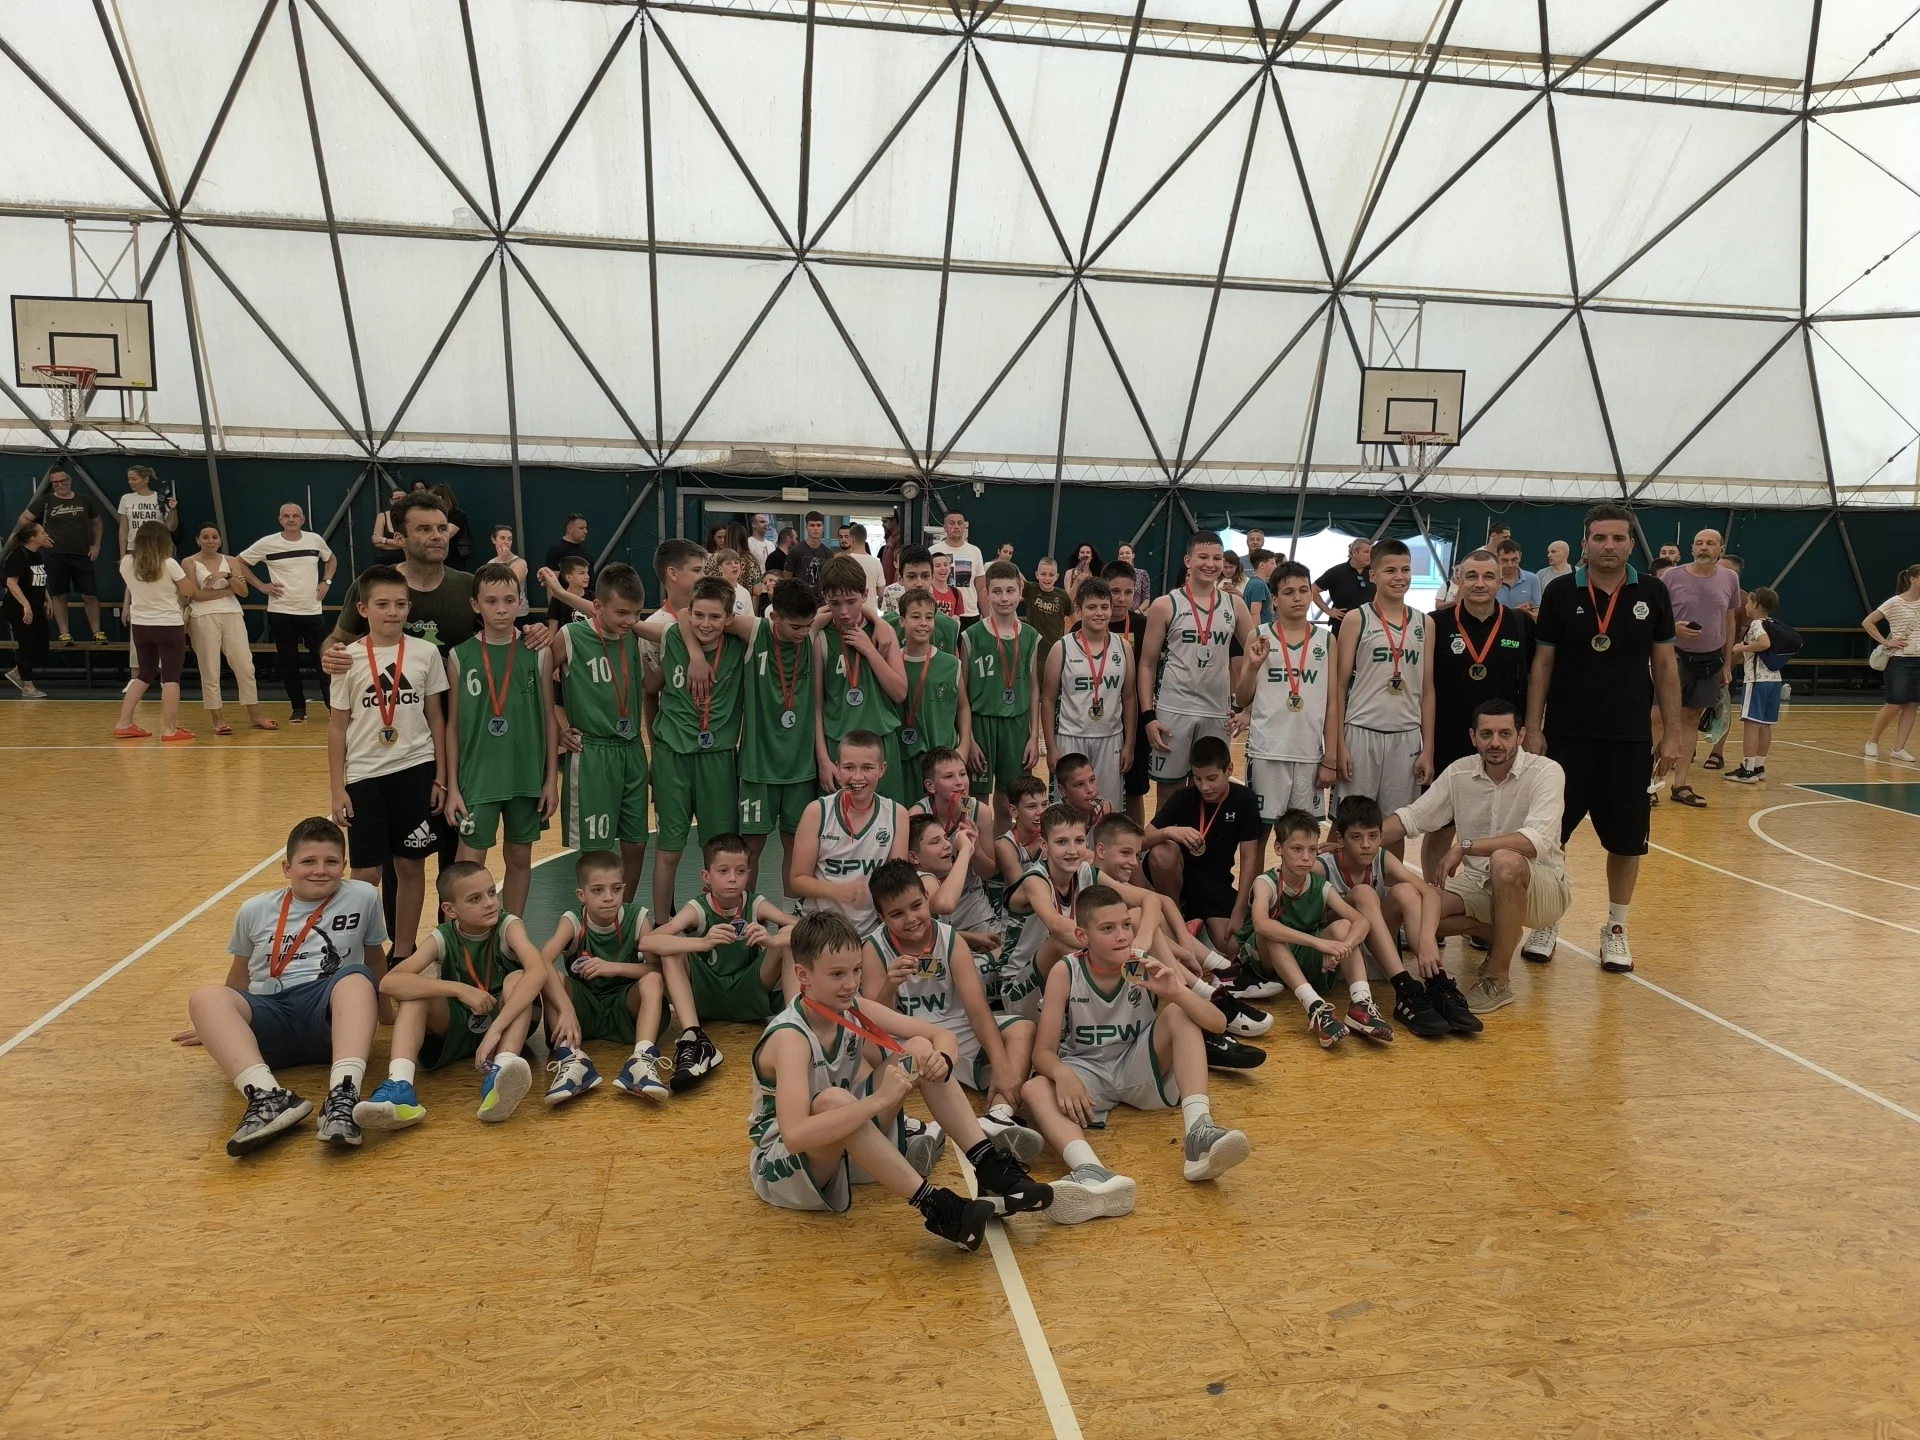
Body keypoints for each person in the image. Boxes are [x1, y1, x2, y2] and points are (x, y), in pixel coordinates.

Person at [745, 912, 1054, 1246]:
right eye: (837, 974)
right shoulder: (791, 1037)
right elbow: (795, 1136)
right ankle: (936, 1206)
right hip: (786, 1166)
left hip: (845, 1142)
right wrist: (880, 1100)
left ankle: (987, 1164)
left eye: (856, 970)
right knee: (835, 1100)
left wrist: (942, 1061)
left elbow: (940, 1036)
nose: (850, 983)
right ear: (803, 975)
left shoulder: (851, 1006)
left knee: (920, 1050)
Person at [1022, 885, 1251, 1223]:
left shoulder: (1139, 965)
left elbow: (1217, 1024)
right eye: (1107, 928)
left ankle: (1198, 1133)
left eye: (1126, 925)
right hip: (1087, 1075)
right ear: (1083, 936)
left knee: (1179, 1014)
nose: (1122, 936)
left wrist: (1176, 992)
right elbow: (1042, 1052)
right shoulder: (1066, 971)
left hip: (1138, 1066)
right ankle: (1092, 1172)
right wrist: (1061, 1073)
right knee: (1034, 1088)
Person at [1526, 503, 1683, 974]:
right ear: (1585, 544)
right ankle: (1547, 919)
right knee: (1551, 837)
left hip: (1629, 739)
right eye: (1600, 538)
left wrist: (1671, 734)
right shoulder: (1559, 591)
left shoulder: (1652, 591)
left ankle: (1615, 928)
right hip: (1565, 737)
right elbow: (1543, 664)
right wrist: (1534, 727)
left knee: (1627, 842)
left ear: (1631, 544)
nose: (1608, 546)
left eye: (1618, 538)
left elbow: (1665, 666)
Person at [181, 816, 384, 1155]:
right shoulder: (254, 909)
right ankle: (267, 1096)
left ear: (344, 865)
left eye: (331, 862)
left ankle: (343, 1098)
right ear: (287, 868)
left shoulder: (363, 896)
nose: (320, 870)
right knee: (205, 998)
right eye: (309, 862)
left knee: (357, 977)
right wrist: (217, 1026)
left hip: (329, 1018)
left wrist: (387, 1013)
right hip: (272, 1015)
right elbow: (239, 976)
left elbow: (375, 957)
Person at [1379, 699, 1572, 1014]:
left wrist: (1465, 846)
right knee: (1413, 902)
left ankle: (1497, 979)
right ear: (1473, 737)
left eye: (1505, 734)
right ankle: (1498, 933)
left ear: (1521, 736)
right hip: (1480, 884)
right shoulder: (1460, 772)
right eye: (1486, 734)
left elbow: (1533, 841)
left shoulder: (1546, 772)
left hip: (1542, 886)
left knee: (1505, 860)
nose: (1495, 742)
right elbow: (1411, 818)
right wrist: (1355, 842)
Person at [361, 861, 556, 1130]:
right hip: (456, 1024)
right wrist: (459, 989)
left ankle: (502, 1069)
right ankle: (400, 1085)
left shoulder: (508, 925)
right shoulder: (443, 936)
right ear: (450, 910)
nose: (489, 903)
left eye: (491, 892)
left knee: (519, 978)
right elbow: (389, 982)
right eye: (475, 899)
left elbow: (538, 972)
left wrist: (496, 1029)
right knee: (416, 992)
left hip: (506, 1022)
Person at [863, 860, 1038, 1155]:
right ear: (881, 917)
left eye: (916, 906)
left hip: (956, 1031)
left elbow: (978, 1011)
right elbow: (874, 1025)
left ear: (927, 898)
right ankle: (907, 1126)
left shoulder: (950, 939)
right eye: (897, 914)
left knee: (1023, 1028)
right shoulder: (874, 948)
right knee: (862, 1049)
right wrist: (889, 987)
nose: (911, 918)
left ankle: (999, 1115)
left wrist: (1002, 1066)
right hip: (907, 1039)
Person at [327, 564, 448, 969]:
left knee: (411, 865)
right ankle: (362, 957)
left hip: (415, 769)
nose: (392, 612)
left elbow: (436, 717)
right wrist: (338, 788)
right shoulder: (346, 659)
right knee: (365, 876)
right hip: (364, 776)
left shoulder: (425, 653)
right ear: (363, 609)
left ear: (409, 608)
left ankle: (403, 953)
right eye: (382, 604)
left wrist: (440, 777)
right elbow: (337, 727)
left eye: (400, 604)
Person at [444, 562, 555, 920]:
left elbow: (549, 719)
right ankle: (467, 938)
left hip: (526, 776)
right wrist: (452, 787)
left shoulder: (537, 651)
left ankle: (513, 931)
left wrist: (550, 780)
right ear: (475, 605)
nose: (502, 609)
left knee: (520, 857)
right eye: (491, 601)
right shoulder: (459, 656)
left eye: (509, 600)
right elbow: (452, 726)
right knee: (469, 865)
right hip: (478, 778)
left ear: (520, 602)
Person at [1233, 808, 1388, 1047]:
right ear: (1278, 849)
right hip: (1266, 963)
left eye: (1312, 850)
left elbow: (1362, 922)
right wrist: (1320, 943)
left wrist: (1340, 948)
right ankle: (1316, 1008)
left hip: (1304, 958)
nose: (1306, 857)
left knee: (1344, 926)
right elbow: (1261, 924)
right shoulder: (1266, 882)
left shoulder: (1321, 886)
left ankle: (1361, 1003)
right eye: (1297, 849)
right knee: (1272, 931)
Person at [1312, 796, 1467, 1034]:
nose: (1366, 845)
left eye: (1373, 836)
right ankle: (1405, 988)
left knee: (1406, 891)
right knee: (1364, 893)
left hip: (1379, 956)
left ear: (1381, 836)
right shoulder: (1322, 866)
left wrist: (1427, 939)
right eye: (1356, 837)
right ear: (1341, 839)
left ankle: (1437, 982)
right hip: (1340, 959)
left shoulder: (1382, 857)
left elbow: (1430, 893)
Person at [1422, 548, 1533, 878]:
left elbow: (1535, 680)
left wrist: (1533, 729)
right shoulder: (1435, 623)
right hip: (1447, 738)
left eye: (1488, 576)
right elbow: (1423, 687)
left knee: (1500, 825)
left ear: (1500, 581)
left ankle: (1491, 898)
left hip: (1501, 742)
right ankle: (1434, 896)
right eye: (1471, 576)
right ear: (1458, 580)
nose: (1480, 583)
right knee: (1441, 826)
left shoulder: (1520, 624)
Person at [647, 576, 752, 921]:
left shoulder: (739, 644)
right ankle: (661, 924)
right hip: (672, 757)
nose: (705, 623)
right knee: (669, 849)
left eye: (715, 617)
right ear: (690, 612)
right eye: (699, 615)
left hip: (717, 759)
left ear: (729, 618)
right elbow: (666, 619)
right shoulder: (673, 636)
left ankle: (720, 922)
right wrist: (693, 653)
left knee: (720, 852)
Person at [533, 849, 670, 1105]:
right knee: (551, 977)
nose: (608, 897)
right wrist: (567, 1010)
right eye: (598, 890)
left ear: (624, 889)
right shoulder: (573, 921)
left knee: (653, 980)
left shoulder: (637, 917)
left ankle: (640, 1061)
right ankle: (572, 1059)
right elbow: (541, 962)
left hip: (625, 1009)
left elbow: (658, 970)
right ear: (581, 895)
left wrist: (613, 967)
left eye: (616, 889)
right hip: (583, 1012)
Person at [550, 563, 652, 901]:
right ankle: (594, 919)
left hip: (632, 748)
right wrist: (557, 729)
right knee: (596, 850)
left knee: (637, 842)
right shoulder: (571, 636)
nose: (629, 620)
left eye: (636, 613)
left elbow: (651, 680)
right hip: (592, 751)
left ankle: (626, 912)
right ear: (598, 606)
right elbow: (534, 681)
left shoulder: (635, 636)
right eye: (621, 612)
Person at [644, 832, 798, 1039]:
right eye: (723, 871)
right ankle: (692, 1035)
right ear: (706, 876)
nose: (732, 878)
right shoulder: (697, 908)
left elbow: (810, 927)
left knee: (789, 936)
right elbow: (647, 942)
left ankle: (796, 1024)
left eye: (740, 871)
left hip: (748, 992)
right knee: (672, 950)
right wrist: (702, 942)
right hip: (705, 995)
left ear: (748, 874)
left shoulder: (755, 903)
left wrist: (772, 940)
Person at [1139, 530, 1254, 799]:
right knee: (1170, 794)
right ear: (1188, 561)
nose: (1210, 564)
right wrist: (1149, 717)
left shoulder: (1235, 605)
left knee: (1212, 790)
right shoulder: (1165, 605)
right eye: (1203, 557)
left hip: (1217, 712)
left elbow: (1257, 656)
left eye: (1217, 558)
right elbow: (1147, 664)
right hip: (1173, 709)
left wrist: (1248, 709)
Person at [1325, 538, 1429, 827]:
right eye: (1390, 570)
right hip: (1361, 732)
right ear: (1373, 575)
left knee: (1394, 826)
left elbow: (1428, 691)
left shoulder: (1424, 623)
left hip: (1406, 735)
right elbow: (1339, 686)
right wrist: (1339, 745)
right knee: (1348, 825)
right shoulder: (1357, 619)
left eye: (1405, 570)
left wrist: (1428, 749)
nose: (1399, 577)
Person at [739, 579, 827, 898]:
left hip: (800, 767)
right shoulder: (754, 631)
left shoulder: (811, 632)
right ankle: (746, 913)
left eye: (808, 625)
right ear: (774, 617)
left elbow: (842, 611)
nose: (803, 632)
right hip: (758, 766)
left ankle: (793, 918)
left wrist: (877, 620)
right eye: (796, 627)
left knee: (796, 844)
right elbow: (697, 618)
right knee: (751, 846)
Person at [1142, 734, 1263, 952]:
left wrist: (1239, 910)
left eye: (1211, 778)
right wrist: (1169, 832)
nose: (1204, 787)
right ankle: (1175, 918)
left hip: (1215, 881)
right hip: (1178, 877)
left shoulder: (1244, 800)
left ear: (1229, 770)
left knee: (1232, 945)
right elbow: (1139, 840)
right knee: (1162, 851)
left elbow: (1249, 857)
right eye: (1197, 778)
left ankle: (1197, 924)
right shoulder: (1183, 797)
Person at [1234, 560, 1329, 834]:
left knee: (1304, 835)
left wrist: (1331, 758)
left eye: (1303, 590)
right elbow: (1242, 698)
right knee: (1259, 833)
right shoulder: (1259, 635)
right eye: (1288, 592)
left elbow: (1333, 703)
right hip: (1267, 750)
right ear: (1274, 600)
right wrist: (1253, 666)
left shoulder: (1326, 640)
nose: (1298, 598)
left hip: (1309, 753)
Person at [790, 730, 912, 936]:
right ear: (837, 769)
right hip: (821, 928)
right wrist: (836, 891)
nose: (857, 777)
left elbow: (896, 881)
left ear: (882, 769)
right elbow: (797, 880)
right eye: (849, 767)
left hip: (874, 929)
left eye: (867, 768)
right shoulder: (817, 812)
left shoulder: (896, 814)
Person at [817, 554, 911, 804]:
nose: (844, 611)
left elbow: (900, 692)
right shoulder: (820, 637)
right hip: (840, 743)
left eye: (851, 601)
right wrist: (823, 759)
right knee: (840, 822)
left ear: (865, 594)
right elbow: (816, 706)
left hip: (881, 741)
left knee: (887, 822)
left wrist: (870, 651)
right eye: (835, 603)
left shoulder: (884, 632)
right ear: (825, 598)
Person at [1657, 529, 1740, 808]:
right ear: (1692, 548)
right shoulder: (1672, 576)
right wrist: (1673, 629)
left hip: (1709, 661)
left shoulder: (1730, 578)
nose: (1704, 547)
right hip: (1673, 657)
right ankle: (1649, 784)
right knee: (1658, 718)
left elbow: (1729, 621)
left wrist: (1727, 663)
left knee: (1691, 719)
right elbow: (1656, 617)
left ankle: (1680, 784)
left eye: (1710, 543)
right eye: (1699, 543)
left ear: (1721, 549)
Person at [1041, 575, 1133, 812]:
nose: (1099, 613)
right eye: (1091, 607)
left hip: (1110, 737)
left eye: (1104, 606)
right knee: (1068, 811)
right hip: (1071, 736)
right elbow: (1048, 700)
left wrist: (1129, 743)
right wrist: (1051, 747)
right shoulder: (1062, 648)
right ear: (1079, 610)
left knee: (1108, 809)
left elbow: (1129, 698)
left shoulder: (1123, 647)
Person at [239, 502, 337, 723]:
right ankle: (298, 709)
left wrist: (326, 581)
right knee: (288, 662)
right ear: (280, 519)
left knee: (323, 660)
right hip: (281, 611)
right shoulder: (267, 543)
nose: (291, 519)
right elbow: (240, 562)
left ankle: (333, 707)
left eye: (295, 516)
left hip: (311, 611)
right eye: (286, 516)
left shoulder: (315, 540)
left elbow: (331, 559)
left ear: (302, 519)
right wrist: (261, 586)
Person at [962, 559, 1042, 824]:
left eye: (1010, 591)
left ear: (1020, 592)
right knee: (977, 802)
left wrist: (1034, 737)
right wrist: (968, 739)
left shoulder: (1031, 636)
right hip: (981, 723)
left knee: (1010, 801)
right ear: (986, 593)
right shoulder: (972, 635)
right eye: (996, 591)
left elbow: (1034, 687)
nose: (1004, 598)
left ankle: (1002, 849)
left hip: (1017, 726)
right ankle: (977, 851)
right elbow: (962, 691)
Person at [183, 522, 272, 735]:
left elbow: (243, 592)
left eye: (214, 537)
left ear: (220, 540)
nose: (210, 541)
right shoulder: (189, 562)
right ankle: (218, 719)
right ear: (198, 540)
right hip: (203, 617)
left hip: (232, 614)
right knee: (210, 669)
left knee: (245, 666)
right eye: (205, 537)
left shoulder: (231, 561)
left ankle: (255, 715)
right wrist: (227, 591)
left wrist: (228, 576)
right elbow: (195, 594)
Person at [113, 521, 195, 741]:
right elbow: (189, 591)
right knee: (171, 677)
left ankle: (124, 723)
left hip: (141, 625)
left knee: (144, 674)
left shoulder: (126, 562)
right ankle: (170, 729)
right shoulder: (169, 563)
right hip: (168, 624)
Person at [20, 467, 104, 643]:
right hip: (54, 556)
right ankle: (64, 633)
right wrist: (41, 538)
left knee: (89, 595)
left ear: (69, 479)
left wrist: (96, 544)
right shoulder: (46, 500)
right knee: (59, 595)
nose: (60, 485)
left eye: (63, 480)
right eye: (55, 482)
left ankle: (97, 632)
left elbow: (97, 522)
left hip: (81, 555)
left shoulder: (85, 500)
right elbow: (24, 519)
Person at [897, 587, 969, 781]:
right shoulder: (891, 662)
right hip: (903, 758)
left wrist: (964, 746)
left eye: (929, 617)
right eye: (915, 617)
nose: (923, 623)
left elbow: (963, 707)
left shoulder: (951, 664)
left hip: (943, 758)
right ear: (902, 620)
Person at [1724, 587, 1787, 784]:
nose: (1745, 605)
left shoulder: (1757, 624)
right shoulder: (1773, 623)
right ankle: (1758, 766)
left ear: (1756, 604)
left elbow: (1764, 644)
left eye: (1749, 602)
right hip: (1774, 680)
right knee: (1765, 725)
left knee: (1751, 724)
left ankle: (1747, 769)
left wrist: (1741, 648)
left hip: (1757, 681)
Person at [1863, 564, 1920, 762]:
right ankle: (1872, 740)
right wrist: (1885, 641)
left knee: (1912, 704)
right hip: (1900, 660)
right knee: (1894, 704)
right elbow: (1868, 622)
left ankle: (1899, 748)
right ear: (1913, 579)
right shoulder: (1895, 602)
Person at [4, 519, 53, 698]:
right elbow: (11, 582)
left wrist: (48, 598)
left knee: (43, 644)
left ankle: (17, 672)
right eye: (42, 533)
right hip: (19, 608)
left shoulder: (37, 555)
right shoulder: (18, 555)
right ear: (33, 538)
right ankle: (28, 686)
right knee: (27, 644)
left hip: (36, 605)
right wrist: (26, 605)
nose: (46, 535)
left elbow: (39, 579)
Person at [929, 511, 986, 620]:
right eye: (952, 523)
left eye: (959, 523)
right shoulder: (932, 551)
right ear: (945, 528)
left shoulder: (975, 551)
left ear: (964, 527)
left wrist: (987, 618)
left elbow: (981, 588)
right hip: (941, 612)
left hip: (969, 613)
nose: (956, 527)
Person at [116, 464, 177, 558]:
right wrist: (122, 555)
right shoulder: (126, 498)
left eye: (134, 479)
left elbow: (170, 527)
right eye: (129, 479)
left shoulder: (160, 498)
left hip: (157, 548)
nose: (130, 482)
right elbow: (124, 529)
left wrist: (173, 510)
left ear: (146, 479)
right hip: (134, 548)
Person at [1022, 556, 1074, 664]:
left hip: (1054, 650)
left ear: (1057, 576)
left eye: (1051, 575)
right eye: (1043, 574)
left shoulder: (1063, 596)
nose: (1047, 578)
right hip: (1032, 649)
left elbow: (1075, 620)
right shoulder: (1030, 589)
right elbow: (1015, 577)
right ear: (1037, 575)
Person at [1312, 536, 1374, 625]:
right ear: (1354, 552)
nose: (1370, 555)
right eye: (1366, 552)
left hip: (1370, 623)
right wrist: (1328, 611)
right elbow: (1312, 589)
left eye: (1371, 552)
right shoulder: (1337, 572)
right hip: (1342, 623)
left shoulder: (1375, 571)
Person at [488, 524, 531, 628]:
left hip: (518, 613)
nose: (506, 542)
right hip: (497, 611)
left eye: (510, 539)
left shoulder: (520, 563)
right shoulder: (490, 563)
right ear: (494, 540)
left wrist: (503, 561)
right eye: (502, 538)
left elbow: (510, 585)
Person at [543, 513, 593, 600]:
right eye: (581, 528)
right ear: (570, 529)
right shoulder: (557, 550)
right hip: (569, 601)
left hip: (588, 598)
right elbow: (551, 582)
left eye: (585, 528)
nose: (585, 531)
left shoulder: (582, 547)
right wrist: (553, 605)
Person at [429, 483, 471, 570]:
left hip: (453, 556)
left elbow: (448, 534)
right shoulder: (432, 514)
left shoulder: (456, 514)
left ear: (441, 498)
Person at [1494, 539, 1541, 618]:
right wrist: (1517, 612)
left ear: (1520, 557)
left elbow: (1538, 616)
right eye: (1504, 560)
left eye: (1514, 560)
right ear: (1497, 558)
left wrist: (1526, 613)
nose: (1510, 565)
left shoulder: (1533, 579)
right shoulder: (1490, 580)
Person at [791, 511, 834, 594]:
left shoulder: (828, 553)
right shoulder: (795, 551)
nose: (815, 529)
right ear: (806, 528)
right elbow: (787, 578)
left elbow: (830, 579)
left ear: (823, 528)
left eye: (819, 525)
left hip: (822, 597)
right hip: (800, 597)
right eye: (812, 525)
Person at [843, 522, 886, 599]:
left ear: (852, 539)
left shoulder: (845, 561)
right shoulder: (876, 563)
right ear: (865, 538)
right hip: (871, 606)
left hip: (852, 605)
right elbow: (881, 592)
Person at [1241, 549, 1276, 627]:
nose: (1275, 566)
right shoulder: (1259, 585)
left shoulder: (1253, 581)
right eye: (1272, 563)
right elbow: (1254, 613)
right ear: (1262, 565)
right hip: (1261, 630)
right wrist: (1257, 632)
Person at [371, 486, 408, 553]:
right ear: (391, 501)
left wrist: (384, 540)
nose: (401, 501)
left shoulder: (411, 516)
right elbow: (377, 542)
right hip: (386, 557)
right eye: (397, 498)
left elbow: (408, 543)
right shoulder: (382, 516)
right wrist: (402, 546)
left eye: (404, 498)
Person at [1115, 541, 1150, 609]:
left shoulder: (1142, 574)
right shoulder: (1113, 575)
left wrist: (1138, 611)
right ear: (1118, 557)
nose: (1124, 555)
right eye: (1122, 553)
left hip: (1136, 613)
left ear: (1133, 555)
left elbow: (1146, 599)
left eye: (1127, 553)